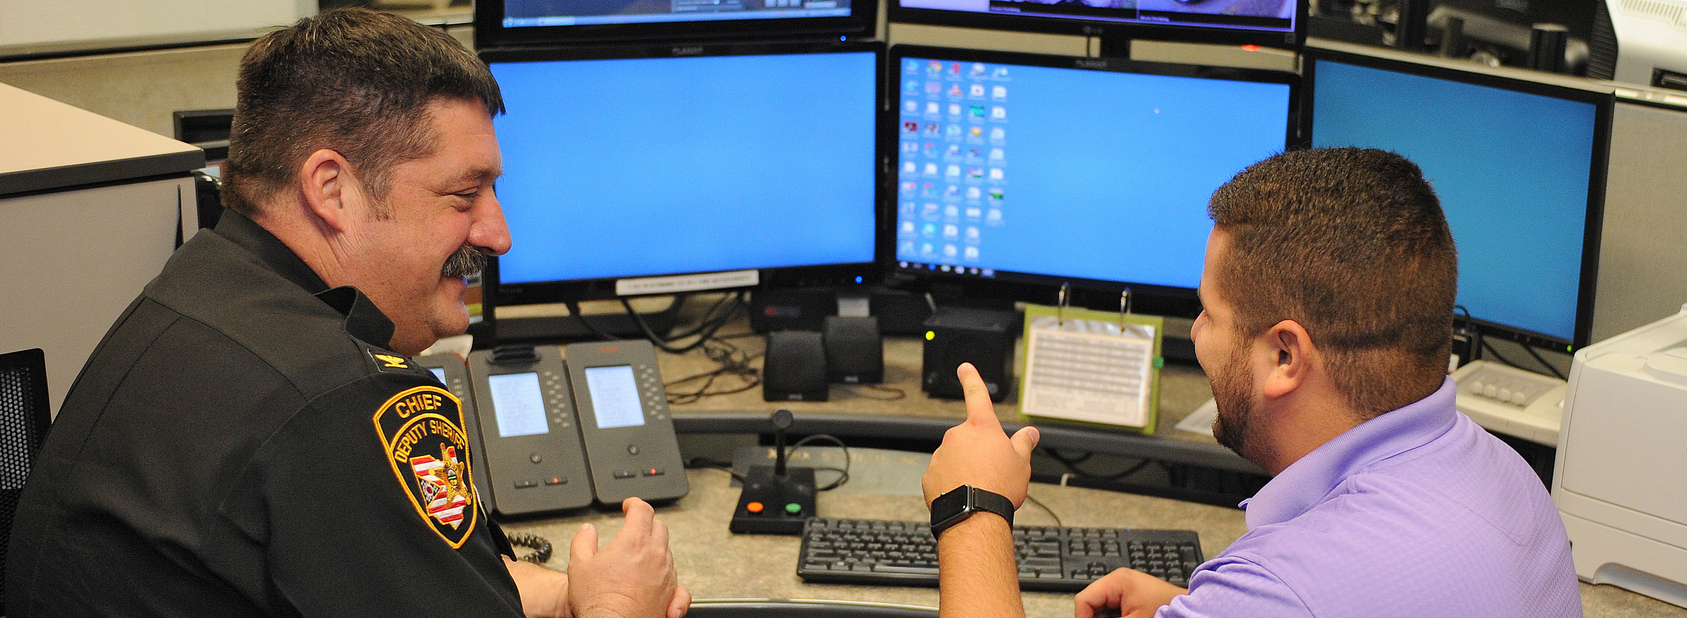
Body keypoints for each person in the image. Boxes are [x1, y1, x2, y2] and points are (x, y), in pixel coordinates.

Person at [6, 9, 688, 618]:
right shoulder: (339, 397)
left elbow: (396, 574)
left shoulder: (198, 297)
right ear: (332, 189)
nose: (496, 233)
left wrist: (572, 592)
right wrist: (619, 606)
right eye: (464, 194)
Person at [921, 148, 1582, 618]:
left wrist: (972, 508)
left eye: (1209, 311)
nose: (1196, 333)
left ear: (1285, 357)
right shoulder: (1509, 481)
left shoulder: (1283, 590)